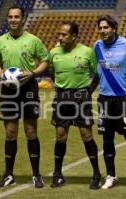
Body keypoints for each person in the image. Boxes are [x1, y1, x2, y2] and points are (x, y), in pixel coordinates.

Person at [0, 6, 48, 188]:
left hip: (28, 88)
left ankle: (36, 174)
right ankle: (8, 175)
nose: (13, 20)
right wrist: (3, 76)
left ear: (23, 19)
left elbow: (45, 61)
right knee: (10, 133)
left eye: (17, 17)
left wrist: (32, 73)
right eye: (10, 17)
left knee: (31, 131)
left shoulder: (33, 40)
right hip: (8, 90)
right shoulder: (0, 41)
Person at [90, 15, 126, 190]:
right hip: (105, 99)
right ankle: (111, 176)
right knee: (107, 139)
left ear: (114, 28)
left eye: (106, 27)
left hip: (124, 98)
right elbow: (97, 72)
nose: (103, 31)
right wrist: (89, 91)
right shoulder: (96, 46)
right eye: (101, 28)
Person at [49, 22, 101, 189]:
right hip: (62, 98)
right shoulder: (53, 53)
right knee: (60, 136)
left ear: (74, 36)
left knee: (86, 135)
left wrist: (89, 91)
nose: (60, 37)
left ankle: (96, 174)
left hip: (81, 98)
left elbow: (98, 73)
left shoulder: (87, 52)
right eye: (60, 34)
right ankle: (57, 174)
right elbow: (52, 72)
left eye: (64, 35)